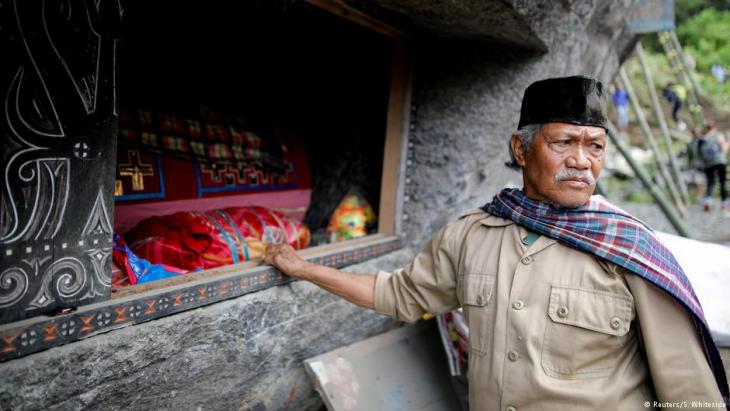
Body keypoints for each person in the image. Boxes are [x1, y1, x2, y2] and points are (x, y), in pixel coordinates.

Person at [264, 76, 729, 410]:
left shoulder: (628, 248)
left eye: (595, 147)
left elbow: (688, 388)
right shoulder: (472, 234)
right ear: (520, 150)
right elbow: (399, 295)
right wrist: (305, 269)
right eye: (564, 142)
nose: (582, 161)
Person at [699, 121, 729, 212]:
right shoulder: (718, 135)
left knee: (710, 182)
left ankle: (708, 200)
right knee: (723, 182)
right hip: (719, 161)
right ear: (714, 128)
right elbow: (723, 149)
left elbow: (700, 154)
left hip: (708, 163)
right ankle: (724, 203)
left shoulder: (703, 139)